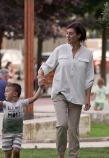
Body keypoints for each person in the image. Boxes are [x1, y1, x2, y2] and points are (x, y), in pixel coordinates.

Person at [37, 22, 94, 158]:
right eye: (67, 33)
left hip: (77, 95)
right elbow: (45, 67)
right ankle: (60, 154)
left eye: (71, 34)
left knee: (73, 130)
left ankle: (73, 155)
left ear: (79, 35)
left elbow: (89, 77)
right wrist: (40, 76)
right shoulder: (60, 50)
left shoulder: (88, 54)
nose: (67, 36)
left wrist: (87, 97)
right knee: (62, 124)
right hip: (60, 93)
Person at [0, 83, 41, 158]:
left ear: (15, 94)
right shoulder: (5, 104)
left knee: (16, 150)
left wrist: (40, 87)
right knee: (8, 155)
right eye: (5, 91)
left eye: (7, 91)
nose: (4, 93)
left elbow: (34, 97)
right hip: (6, 134)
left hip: (18, 133)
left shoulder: (21, 103)